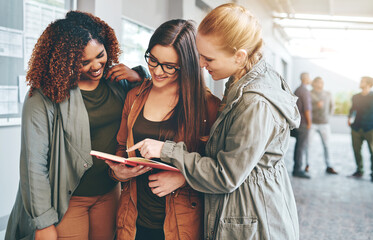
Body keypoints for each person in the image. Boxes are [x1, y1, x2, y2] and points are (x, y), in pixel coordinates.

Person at [124, 3, 300, 239]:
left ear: (239, 56)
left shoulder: (255, 103)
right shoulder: (242, 82)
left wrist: (168, 151)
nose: (200, 65)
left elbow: (225, 175)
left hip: (253, 221)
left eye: (208, 59)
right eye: (199, 55)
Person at [5, 11, 147, 240]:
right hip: (67, 201)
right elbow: (34, 166)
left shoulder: (117, 81)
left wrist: (140, 77)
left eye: (100, 55)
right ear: (66, 61)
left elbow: (157, 99)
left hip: (109, 193)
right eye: (84, 62)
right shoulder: (44, 96)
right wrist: (43, 222)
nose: (96, 66)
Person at [106, 19, 221, 240]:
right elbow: (122, 147)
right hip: (133, 221)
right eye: (153, 60)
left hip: (181, 223)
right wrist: (117, 172)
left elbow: (218, 167)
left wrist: (183, 178)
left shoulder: (208, 106)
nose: (157, 71)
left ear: (187, 65)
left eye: (169, 66)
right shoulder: (135, 96)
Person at [308, 77, 338, 174]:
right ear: (314, 83)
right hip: (312, 123)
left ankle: (329, 166)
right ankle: (306, 165)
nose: (321, 84)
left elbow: (332, 106)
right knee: (307, 145)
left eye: (322, 82)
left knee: (327, 145)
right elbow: (306, 108)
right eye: (319, 82)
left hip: (324, 123)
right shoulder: (309, 94)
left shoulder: (328, 94)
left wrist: (328, 117)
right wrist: (317, 106)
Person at [348, 76, 373, 182]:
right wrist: (349, 118)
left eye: (362, 81)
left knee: (372, 152)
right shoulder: (355, 97)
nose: (360, 83)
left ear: (368, 84)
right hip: (356, 128)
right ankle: (359, 170)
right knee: (356, 151)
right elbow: (353, 109)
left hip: (370, 128)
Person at [293, 72, 312, 178]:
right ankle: (298, 169)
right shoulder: (304, 90)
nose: (310, 79)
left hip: (298, 121)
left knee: (299, 146)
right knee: (301, 147)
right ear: (305, 79)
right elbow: (307, 109)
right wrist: (309, 123)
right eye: (309, 77)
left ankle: (297, 168)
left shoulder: (298, 89)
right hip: (303, 123)